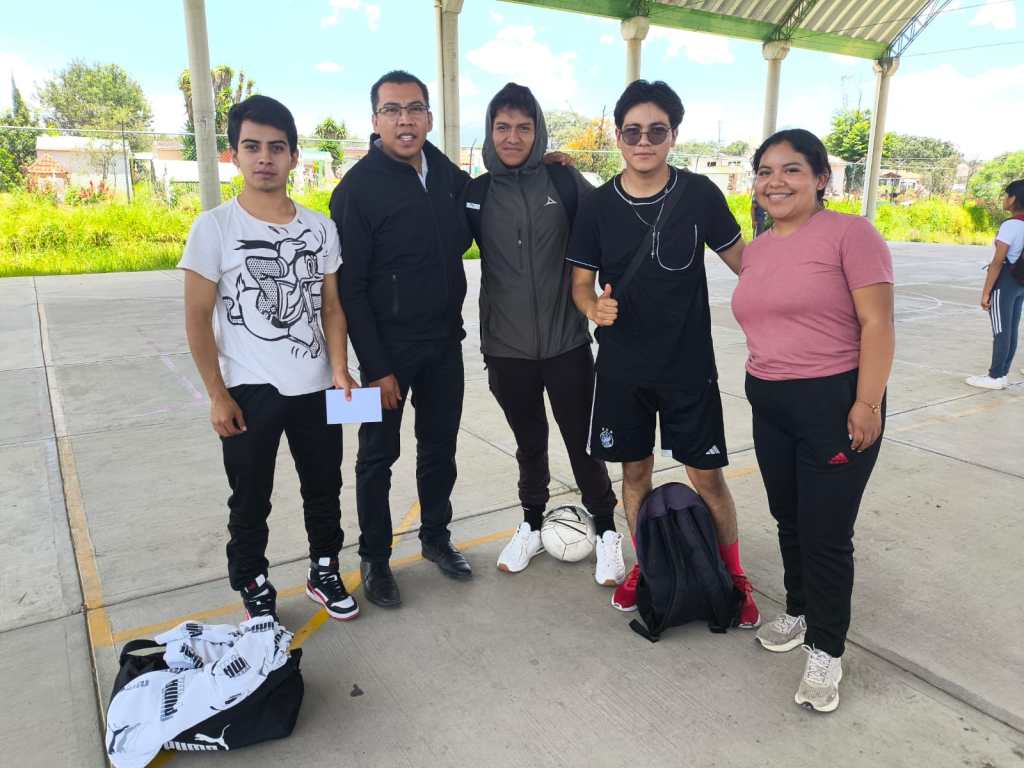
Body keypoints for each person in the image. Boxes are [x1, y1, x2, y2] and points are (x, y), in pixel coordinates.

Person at [567, 80, 760, 626]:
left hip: (687, 366)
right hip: (623, 369)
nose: (644, 141)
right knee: (635, 475)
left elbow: (747, 265)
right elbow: (580, 284)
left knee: (707, 477)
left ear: (674, 135)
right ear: (618, 136)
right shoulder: (597, 205)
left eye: (656, 131)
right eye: (632, 131)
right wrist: (593, 308)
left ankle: (734, 576)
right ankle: (648, 568)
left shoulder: (699, 194)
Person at [180, 95, 359, 622]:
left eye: (277, 148)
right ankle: (253, 584)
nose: (265, 158)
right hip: (249, 389)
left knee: (324, 488)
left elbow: (331, 306)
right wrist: (217, 394)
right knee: (250, 497)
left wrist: (340, 369)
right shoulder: (214, 227)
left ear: (294, 157)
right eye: (252, 146)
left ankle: (324, 570)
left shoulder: (320, 227)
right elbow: (197, 317)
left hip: (317, 385)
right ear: (234, 155)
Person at [733, 128, 895, 713]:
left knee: (826, 533)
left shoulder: (852, 234)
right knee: (789, 519)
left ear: (821, 178)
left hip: (834, 400)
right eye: (765, 171)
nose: (775, 182)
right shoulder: (758, 248)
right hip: (770, 401)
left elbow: (878, 323)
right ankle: (800, 610)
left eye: (792, 169)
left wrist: (867, 403)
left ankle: (826, 648)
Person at [466, 82, 624, 584]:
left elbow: (611, 223)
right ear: (490, 131)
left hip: (566, 342)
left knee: (582, 442)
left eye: (524, 127)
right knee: (529, 443)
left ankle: (607, 529)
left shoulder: (564, 181)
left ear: (538, 133)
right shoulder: (476, 194)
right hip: (506, 347)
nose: (513, 137)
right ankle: (532, 523)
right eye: (503, 127)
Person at [330, 70, 473, 608]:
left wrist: (546, 165)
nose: (404, 119)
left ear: (430, 117)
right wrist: (378, 366)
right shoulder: (357, 190)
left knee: (440, 447)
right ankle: (374, 558)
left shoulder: (448, 175)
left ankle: (436, 537)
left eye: (414, 108)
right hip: (386, 353)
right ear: (375, 121)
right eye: (392, 110)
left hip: (444, 344)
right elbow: (350, 288)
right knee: (376, 457)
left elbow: (492, 196)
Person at [966, 179, 1024, 390]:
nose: (1004, 199)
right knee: (1011, 329)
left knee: (1001, 330)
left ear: (1014, 199)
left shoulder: (1011, 225)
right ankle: (1002, 373)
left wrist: (986, 292)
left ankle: (995, 376)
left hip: (1006, 282)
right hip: (1020, 282)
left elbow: (998, 261)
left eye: (1006, 195)